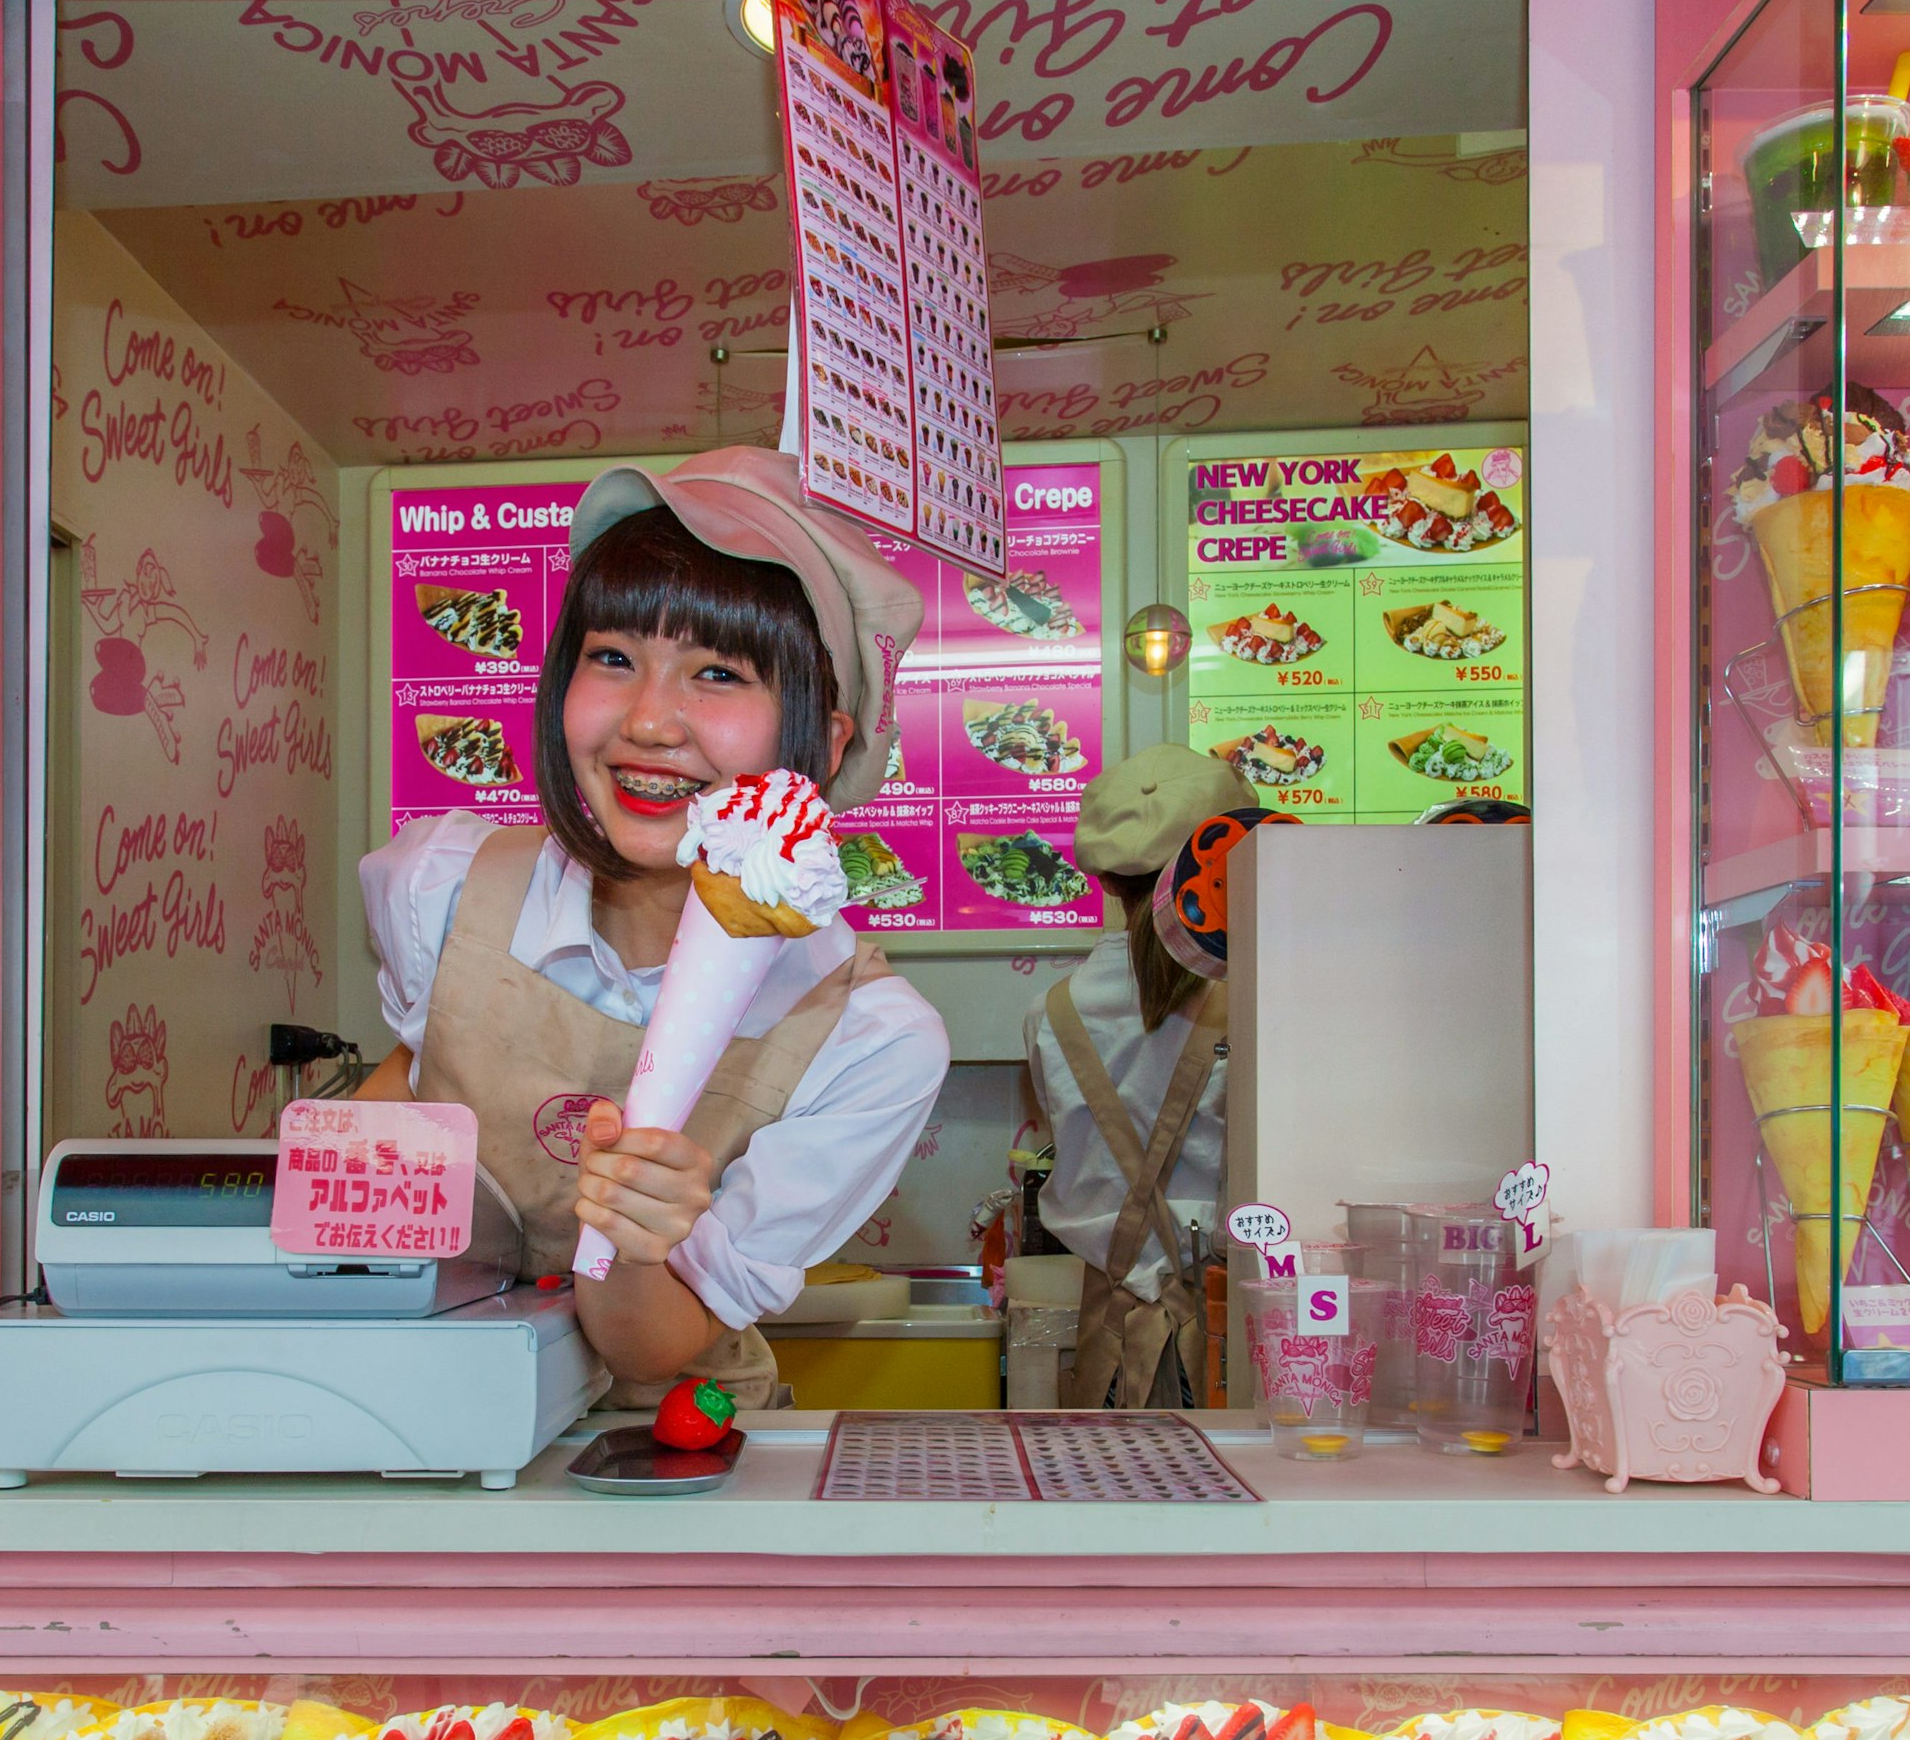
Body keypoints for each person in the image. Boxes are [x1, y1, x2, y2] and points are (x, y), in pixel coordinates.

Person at [357, 447, 951, 1403]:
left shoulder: (868, 1039)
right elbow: (382, 1133)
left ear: (826, 740)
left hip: (674, 1464)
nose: (649, 721)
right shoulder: (445, 889)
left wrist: (634, 1244)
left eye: (717, 672)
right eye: (614, 657)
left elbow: (647, 1352)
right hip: (423, 1423)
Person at [1023, 742, 1253, 1407]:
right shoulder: (1254, 1001)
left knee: (1109, 1499)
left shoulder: (1051, 1013)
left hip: (1107, 1332)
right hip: (1224, 1325)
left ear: (1106, 878)